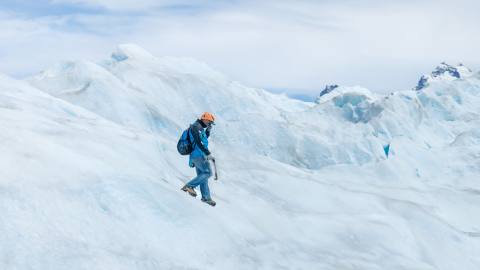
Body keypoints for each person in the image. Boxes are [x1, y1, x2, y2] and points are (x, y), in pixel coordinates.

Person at [181, 112, 217, 206]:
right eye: (209, 122)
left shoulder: (200, 128)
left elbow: (203, 139)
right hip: (198, 155)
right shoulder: (195, 127)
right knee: (208, 173)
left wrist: (208, 131)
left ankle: (206, 197)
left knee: (202, 175)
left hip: (198, 155)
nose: (209, 125)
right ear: (205, 119)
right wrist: (207, 153)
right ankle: (189, 186)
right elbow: (198, 142)